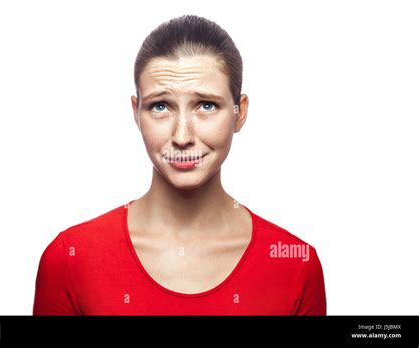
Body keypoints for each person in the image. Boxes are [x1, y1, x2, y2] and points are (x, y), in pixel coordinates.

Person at [33, 14, 327, 315]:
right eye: (160, 106)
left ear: (240, 113)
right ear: (136, 113)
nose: (182, 136)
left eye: (206, 105)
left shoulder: (295, 264)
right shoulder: (70, 259)